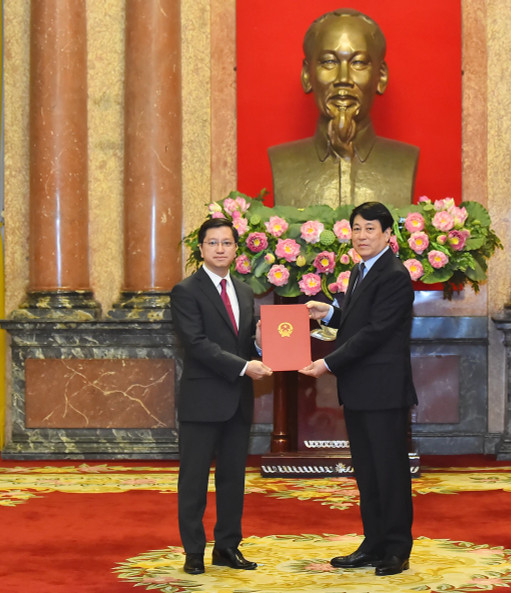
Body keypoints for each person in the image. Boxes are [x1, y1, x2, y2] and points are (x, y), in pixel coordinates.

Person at [300, 201, 417, 576]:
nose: (362, 235)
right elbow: (356, 321)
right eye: (356, 228)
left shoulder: (394, 274)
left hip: (383, 391)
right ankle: (373, 543)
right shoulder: (359, 271)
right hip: (361, 389)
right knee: (367, 471)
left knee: (390, 471)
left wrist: (328, 363)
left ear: (387, 235)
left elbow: (376, 332)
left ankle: (397, 548)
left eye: (370, 229)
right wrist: (329, 313)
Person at [170, 217, 273, 575]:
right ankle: (194, 552)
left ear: (235, 249)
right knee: (194, 481)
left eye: (226, 243)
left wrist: (260, 344)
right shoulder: (186, 291)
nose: (219, 249)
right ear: (200, 248)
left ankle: (227, 547)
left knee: (233, 479)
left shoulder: (244, 292)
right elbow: (197, 345)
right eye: (212, 243)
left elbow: (244, 343)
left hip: (237, 401)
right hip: (203, 401)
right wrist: (246, 367)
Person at [268, 8, 418, 208]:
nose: (343, 79)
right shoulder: (283, 162)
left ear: (381, 76)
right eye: (329, 62)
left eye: (358, 63)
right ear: (307, 75)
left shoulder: (404, 161)